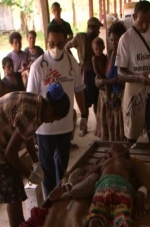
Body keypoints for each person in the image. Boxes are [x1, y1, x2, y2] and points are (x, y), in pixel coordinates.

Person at [0, 85, 71, 227]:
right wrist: (28, 174)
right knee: (13, 192)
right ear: (51, 110)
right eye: (54, 119)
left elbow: (26, 135)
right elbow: (10, 153)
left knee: (16, 189)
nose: (51, 122)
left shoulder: (38, 104)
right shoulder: (30, 113)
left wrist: (35, 161)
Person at [49, 143, 147, 227]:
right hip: (101, 189)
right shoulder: (103, 163)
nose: (109, 149)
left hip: (122, 190)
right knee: (94, 223)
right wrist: (64, 187)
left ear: (123, 150)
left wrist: (140, 198)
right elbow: (85, 178)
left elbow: (142, 184)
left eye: (112, 147)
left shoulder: (129, 163)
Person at [27, 24, 88, 197]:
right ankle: (50, 204)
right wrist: (32, 128)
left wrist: (84, 115)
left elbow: (79, 90)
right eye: (51, 44)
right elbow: (31, 99)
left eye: (60, 44)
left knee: (62, 168)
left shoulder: (71, 62)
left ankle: (60, 197)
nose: (56, 48)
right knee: (47, 172)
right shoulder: (38, 67)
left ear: (66, 42)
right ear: (46, 42)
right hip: (44, 129)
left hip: (66, 126)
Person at [116, 1, 150, 144]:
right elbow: (120, 73)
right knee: (132, 130)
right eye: (141, 21)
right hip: (134, 88)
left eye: (148, 21)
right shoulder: (126, 39)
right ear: (134, 17)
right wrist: (138, 77)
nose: (145, 25)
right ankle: (130, 162)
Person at [65, 17, 103, 136]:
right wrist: (75, 63)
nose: (98, 32)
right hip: (85, 74)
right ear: (91, 28)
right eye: (97, 29)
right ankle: (84, 127)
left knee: (98, 100)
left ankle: (99, 126)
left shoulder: (96, 40)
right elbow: (66, 47)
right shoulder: (80, 38)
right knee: (84, 102)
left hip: (96, 75)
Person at [94, 21, 127, 141]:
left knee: (120, 132)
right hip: (107, 97)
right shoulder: (110, 54)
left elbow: (121, 78)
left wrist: (103, 82)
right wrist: (98, 80)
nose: (114, 43)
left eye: (117, 40)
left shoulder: (126, 55)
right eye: (112, 40)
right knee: (109, 131)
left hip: (119, 97)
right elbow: (103, 73)